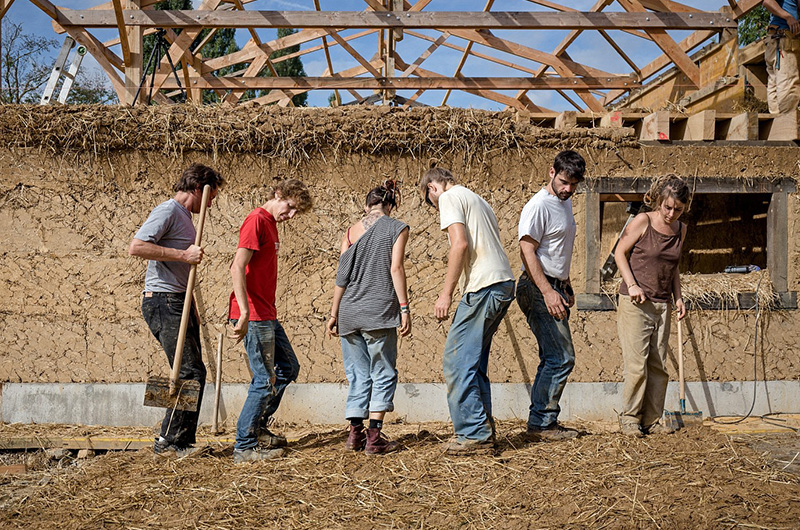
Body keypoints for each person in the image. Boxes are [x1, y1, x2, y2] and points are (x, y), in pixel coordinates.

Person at [129, 163, 224, 458]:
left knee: (191, 370)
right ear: (198, 188)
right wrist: (184, 254)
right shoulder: (168, 211)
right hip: (162, 300)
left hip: (178, 301)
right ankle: (170, 442)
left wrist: (192, 306)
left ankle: (178, 439)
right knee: (188, 371)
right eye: (210, 197)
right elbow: (137, 246)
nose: (210, 204)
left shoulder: (186, 218)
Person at [420, 167, 515, 455]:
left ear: (432, 188)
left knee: (456, 361)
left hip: (483, 286)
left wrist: (446, 294)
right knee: (473, 363)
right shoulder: (479, 200)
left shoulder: (449, 198)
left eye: (430, 201)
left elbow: (459, 244)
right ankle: (483, 428)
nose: (435, 206)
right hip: (502, 283)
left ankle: (473, 434)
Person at [228, 179, 313, 463]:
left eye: (295, 213)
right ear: (278, 194)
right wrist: (243, 312)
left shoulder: (271, 223)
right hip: (253, 313)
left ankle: (258, 427)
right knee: (264, 380)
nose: (290, 216)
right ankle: (244, 445)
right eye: (289, 207)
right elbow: (237, 267)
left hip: (267, 313)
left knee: (288, 367)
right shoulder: (256, 220)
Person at [326, 180, 411, 455]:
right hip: (379, 311)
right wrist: (404, 307)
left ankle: (354, 435)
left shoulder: (350, 232)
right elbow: (395, 268)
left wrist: (333, 313)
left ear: (367, 206)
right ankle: (374, 438)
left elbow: (342, 276)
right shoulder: (397, 227)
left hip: (349, 312)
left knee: (358, 374)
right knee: (383, 371)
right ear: (390, 205)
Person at [516, 150, 585, 442]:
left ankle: (543, 421)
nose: (568, 189)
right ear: (551, 172)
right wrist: (547, 291)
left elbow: (556, 249)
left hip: (554, 284)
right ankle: (542, 424)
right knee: (561, 356)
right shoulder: (539, 206)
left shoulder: (563, 203)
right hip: (536, 286)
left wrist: (565, 284)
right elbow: (526, 249)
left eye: (573, 184)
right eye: (564, 181)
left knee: (552, 356)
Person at [614, 175, 689, 437]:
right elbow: (619, 253)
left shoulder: (681, 229)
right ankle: (630, 420)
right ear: (659, 202)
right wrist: (632, 284)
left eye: (678, 209)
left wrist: (678, 297)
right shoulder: (643, 221)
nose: (671, 213)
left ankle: (652, 420)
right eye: (667, 207)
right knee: (637, 366)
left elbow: (674, 266)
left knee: (658, 366)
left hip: (662, 303)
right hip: (636, 303)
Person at [763, 1, 800, 114]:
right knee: (788, 84)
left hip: (775, 40)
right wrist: (788, 17)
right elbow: (767, 1)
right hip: (783, 40)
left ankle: (776, 124)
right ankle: (787, 125)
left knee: (774, 83)